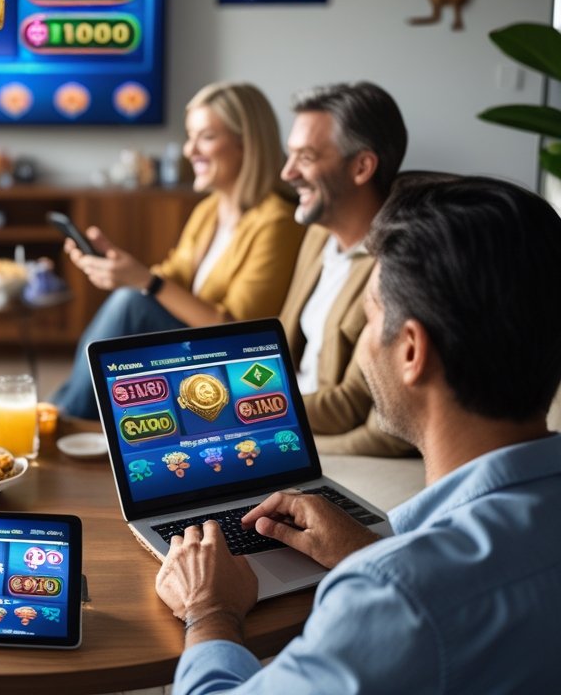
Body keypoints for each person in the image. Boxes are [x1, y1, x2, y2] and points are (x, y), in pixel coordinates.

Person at [155, 174, 561, 693]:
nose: (366, 345)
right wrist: (365, 548)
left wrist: (209, 611)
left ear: (412, 351)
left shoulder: (391, 599)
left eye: (370, 318)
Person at [51, 81, 304, 419]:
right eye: (190, 136)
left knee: (132, 303)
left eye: (206, 137)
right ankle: (63, 409)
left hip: (238, 365)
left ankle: (64, 415)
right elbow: (173, 277)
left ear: (248, 143)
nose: (189, 150)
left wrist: (145, 282)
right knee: (131, 301)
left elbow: (240, 330)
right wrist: (121, 270)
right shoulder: (210, 211)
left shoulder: (277, 222)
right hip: (194, 347)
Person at [278, 82, 413, 456]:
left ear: (362, 166)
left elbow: (353, 406)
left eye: (305, 157)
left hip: (305, 429)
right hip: (286, 412)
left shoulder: (397, 263)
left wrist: (261, 419)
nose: (287, 173)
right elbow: (285, 348)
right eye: (289, 156)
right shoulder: (317, 235)